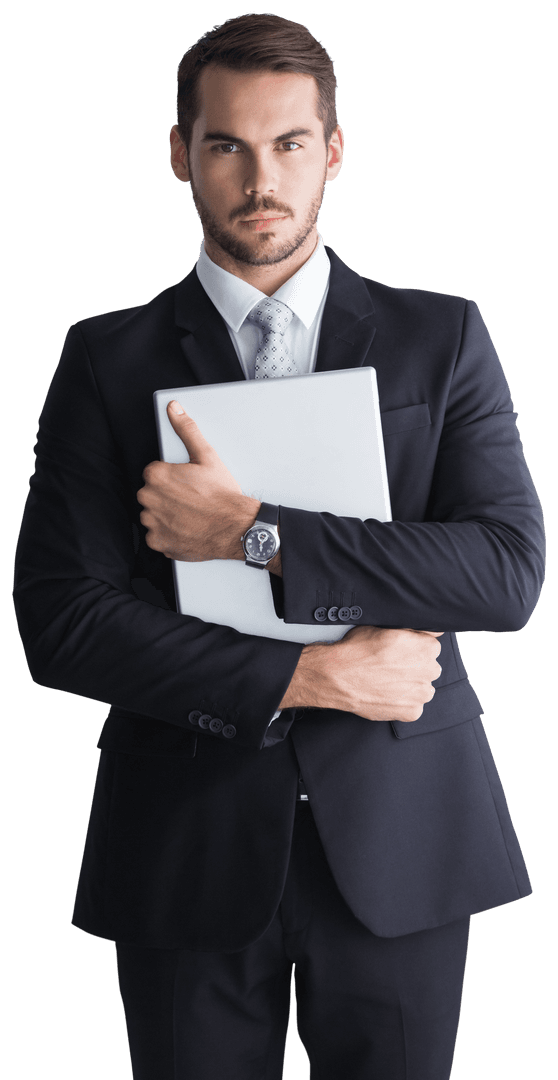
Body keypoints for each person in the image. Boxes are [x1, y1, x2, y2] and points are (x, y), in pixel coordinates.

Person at [13, 12, 545, 1080]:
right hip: (182, 843)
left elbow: (505, 571)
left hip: (406, 839)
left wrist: (254, 535)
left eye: (290, 143)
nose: (262, 177)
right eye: (227, 145)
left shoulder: (441, 337)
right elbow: (62, 621)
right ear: (181, 154)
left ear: (334, 151)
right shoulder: (104, 358)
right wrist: (309, 675)